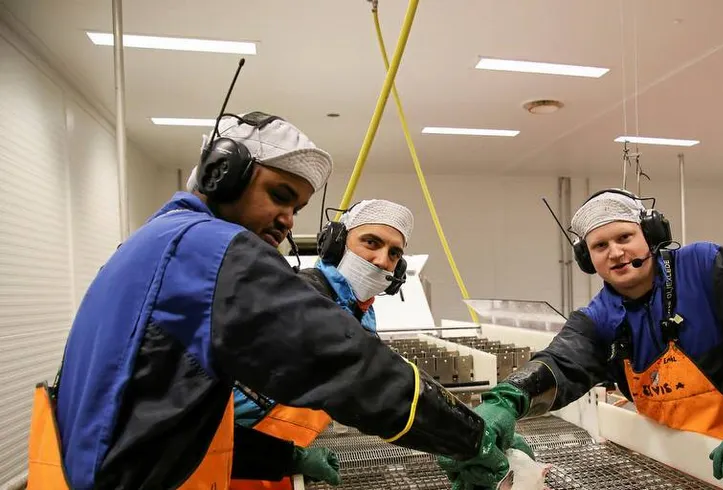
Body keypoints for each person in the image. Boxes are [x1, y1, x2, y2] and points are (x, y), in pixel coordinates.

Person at [25, 111, 508, 490]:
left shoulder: (160, 242)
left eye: (295, 208)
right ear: (222, 174)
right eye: (279, 194)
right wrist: (469, 436)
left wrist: (282, 456)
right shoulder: (207, 250)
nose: (285, 220)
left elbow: (160, 414)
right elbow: (347, 365)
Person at [439, 188, 723, 487]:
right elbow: (561, 362)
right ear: (588, 259)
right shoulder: (601, 315)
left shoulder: (707, 265)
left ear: (650, 234)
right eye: (600, 246)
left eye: (625, 237)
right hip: (669, 465)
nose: (616, 253)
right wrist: (507, 401)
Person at [229, 198, 416, 489]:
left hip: (279, 467)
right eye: (371, 242)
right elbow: (210, 422)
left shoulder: (363, 314)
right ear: (336, 243)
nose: (382, 260)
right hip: (234, 467)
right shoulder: (296, 299)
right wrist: (284, 458)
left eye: (393, 253)